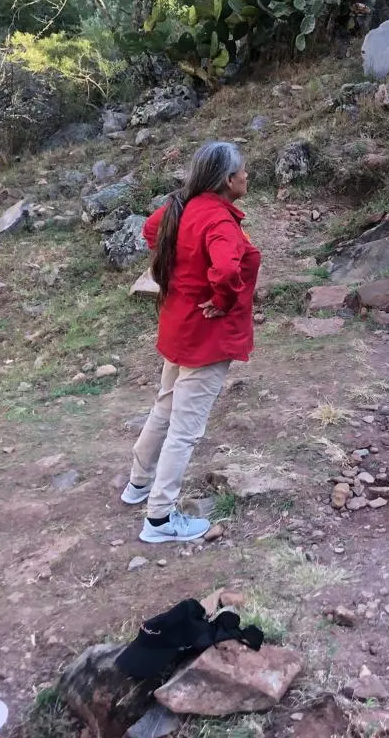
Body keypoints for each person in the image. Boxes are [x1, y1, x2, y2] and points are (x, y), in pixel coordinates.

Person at [121, 141, 259, 543]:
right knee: (185, 428)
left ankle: (139, 484)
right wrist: (221, 299)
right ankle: (160, 519)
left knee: (165, 406)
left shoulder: (183, 206)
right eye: (243, 171)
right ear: (228, 180)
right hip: (206, 336)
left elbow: (151, 230)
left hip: (178, 323)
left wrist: (180, 271)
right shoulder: (218, 221)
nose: (248, 176)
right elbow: (227, 266)